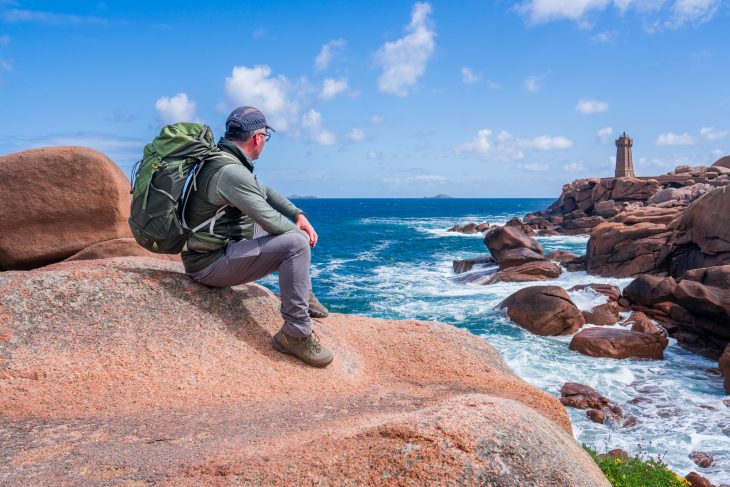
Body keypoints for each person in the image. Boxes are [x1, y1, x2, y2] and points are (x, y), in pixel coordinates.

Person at [181, 106, 333, 367]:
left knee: (285, 234)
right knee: (295, 245)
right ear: (258, 138)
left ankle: (304, 293)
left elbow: (265, 191)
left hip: (213, 249)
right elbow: (269, 219)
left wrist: (298, 213)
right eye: (266, 138)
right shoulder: (230, 173)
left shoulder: (222, 159)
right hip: (209, 264)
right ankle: (296, 334)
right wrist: (298, 233)